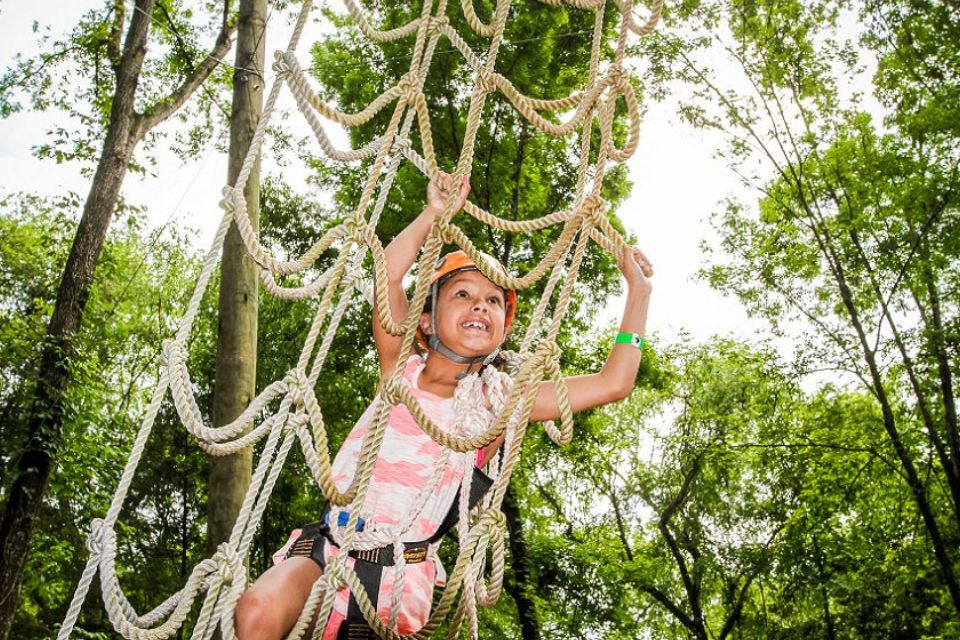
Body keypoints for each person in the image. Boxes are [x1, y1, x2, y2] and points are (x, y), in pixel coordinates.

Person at [234, 173, 653, 640]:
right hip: (328, 551)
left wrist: (639, 293)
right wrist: (433, 214)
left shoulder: (500, 401)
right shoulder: (401, 371)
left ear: (502, 328)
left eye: (494, 301)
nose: (481, 306)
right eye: (463, 295)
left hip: (396, 578)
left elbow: (613, 383)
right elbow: (386, 276)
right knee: (256, 613)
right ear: (428, 319)